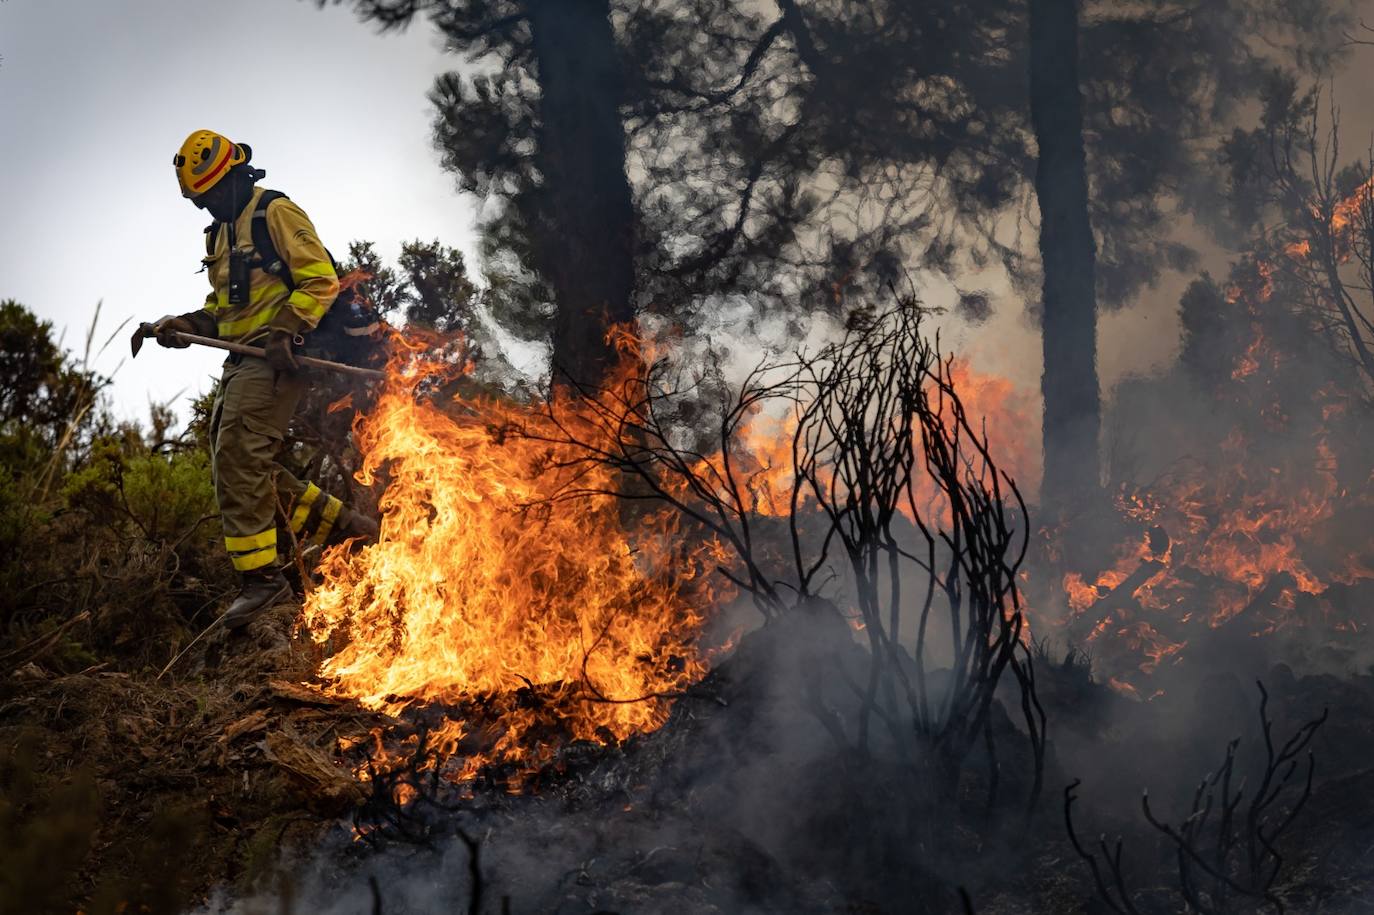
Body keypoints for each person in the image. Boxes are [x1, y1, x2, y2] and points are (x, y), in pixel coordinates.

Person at [153, 129, 378, 630]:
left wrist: (286, 329)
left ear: (235, 176)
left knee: (238, 457)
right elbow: (224, 311)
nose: (209, 209)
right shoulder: (219, 233)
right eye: (200, 202)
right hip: (240, 361)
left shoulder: (274, 212)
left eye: (214, 196)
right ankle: (346, 528)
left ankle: (262, 582)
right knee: (239, 464)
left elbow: (320, 278)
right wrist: (186, 326)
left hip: (275, 361)